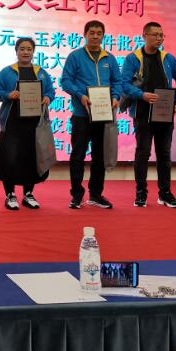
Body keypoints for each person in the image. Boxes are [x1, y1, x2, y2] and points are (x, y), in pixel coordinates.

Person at [120, 21, 176, 209]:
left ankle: (165, 194)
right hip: (142, 113)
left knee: (164, 154)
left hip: (164, 114)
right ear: (144, 36)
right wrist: (141, 95)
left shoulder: (168, 58)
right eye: (155, 35)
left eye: (161, 35)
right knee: (142, 153)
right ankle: (141, 193)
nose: (159, 38)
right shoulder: (133, 59)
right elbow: (124, 84)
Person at [60, 20, 121, 209]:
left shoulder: (109, 58)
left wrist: (116, 97)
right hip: (81, 115)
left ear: (103, 36)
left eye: (99, 33)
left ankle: (95, 194)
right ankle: (76, 195)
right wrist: (80, 95)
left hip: (103, 115)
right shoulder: (75, 56)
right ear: (85, 34)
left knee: (99, 156)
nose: (95, 36)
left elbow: (117, 82)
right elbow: (65, 81)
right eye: (92, 33)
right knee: (78, 155)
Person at [0, 37, 54, 210]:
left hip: (34, 123)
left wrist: (48, 97)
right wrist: (8, 95)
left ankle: (28, 194)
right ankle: (10, 194)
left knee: (32, 158)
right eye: (22, 49)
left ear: (33, 52)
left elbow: (50, 91)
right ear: (16, 51)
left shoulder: (41, 72)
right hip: (12, 123)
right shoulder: (7, 72)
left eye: (29, 49)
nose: (26, 52)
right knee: (10, 158)